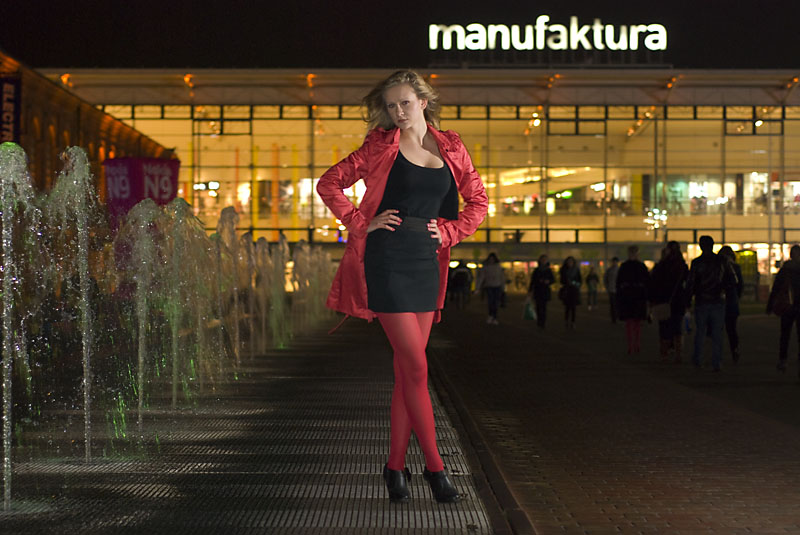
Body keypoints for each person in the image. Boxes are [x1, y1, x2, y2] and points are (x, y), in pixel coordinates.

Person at [316, 70, 488, 504]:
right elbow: (329, 183)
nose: (397, 111)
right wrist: (360, 222)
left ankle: (395, 468)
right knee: (416, 366)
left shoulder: (451, 146)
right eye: (391, 106)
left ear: (423, 102)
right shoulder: (379, 145)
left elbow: (479, 201)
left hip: (426, 263)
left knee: (406, 373)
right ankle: (435, 467)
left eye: (405, 103)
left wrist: (449, 233)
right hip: (387, 260)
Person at [685, 235, 737, 372]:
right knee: (717, 334)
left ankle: (698, 359)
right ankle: (717, 361)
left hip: (702, 300)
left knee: (700, 332)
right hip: (718, 300)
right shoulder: (722, 261)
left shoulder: (697, 262)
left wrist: (688, 300)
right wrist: (724, 289)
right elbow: (733, 280)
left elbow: (690, 283)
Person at [648, 241, 688, 362]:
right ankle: (678, 354)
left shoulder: (661, 266)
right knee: (677, 328)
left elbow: (653, 284)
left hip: (663, 300)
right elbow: (687, 284)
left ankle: (664, 353)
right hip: (678, 300)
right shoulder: (682, 266)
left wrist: (652, 300)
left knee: (664, 328)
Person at [767, 244, 800, 377]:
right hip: (797, 306)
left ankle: (783, 359)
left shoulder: (785, 270)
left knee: (785, 334)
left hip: (787, 306)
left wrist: (770, 305)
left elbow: (776, 288)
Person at [616, 245, 649, 354]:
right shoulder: (640, 266)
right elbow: (647, 282)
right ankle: (634, 345)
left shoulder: (625, 266)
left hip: (630, 297)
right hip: (636, 297)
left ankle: (633, 345)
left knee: (632, 323)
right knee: (634, 323)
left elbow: (619, 283)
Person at [719, 246, 743, 363]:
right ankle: (735, 349)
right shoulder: (736, 267)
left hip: (719, 300)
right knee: (732, 329)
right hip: (732, 300)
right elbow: (740, 285)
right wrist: (737, 297)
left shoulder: (718, 267)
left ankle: (717, 353)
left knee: (717, 328)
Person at [476, 252, 505, 324]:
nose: (491, 260)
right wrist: (478, 287)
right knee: (491, 302)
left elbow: (502, 277)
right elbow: (481, 277)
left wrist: (503, 287)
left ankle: (494, 317)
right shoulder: (486, 267)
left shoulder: (498, 267)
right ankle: (491, 315)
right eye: (490, 259)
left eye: (492, 259)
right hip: (489, 286)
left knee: (496, 302)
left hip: (497, 286)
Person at [529, 253, 555, 328]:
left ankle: (542, 322)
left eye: (545, 260)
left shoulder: (548, 270)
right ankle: (539, 321)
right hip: (538, 290)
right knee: (538, 306)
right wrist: (530, 290)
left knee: (544, 307)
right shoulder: (537, 270)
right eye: (542, 259)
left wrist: (548, 281)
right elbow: (533, 280)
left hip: (545, 290)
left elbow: (553, 280)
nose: (544, 261)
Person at [559, 256, 581, 330]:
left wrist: (574, 283)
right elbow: (561, 280)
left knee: (573, 307)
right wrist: (566, 282)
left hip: (574, 290)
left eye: (571, 262)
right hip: (567, 290)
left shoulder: (576, 270)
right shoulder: (563, 270)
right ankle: (566, 321)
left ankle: (573, 322)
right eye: (568, 262)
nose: (570, 263)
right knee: (567, 307)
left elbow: (580, 280)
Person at [604, 256, 620, 323]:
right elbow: (605, 279)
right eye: (613, 261)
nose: (614, 263)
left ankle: (617, 316)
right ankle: (613, 317)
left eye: (615, 262)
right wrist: (607, 287)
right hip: (611, 289)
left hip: (618, 290)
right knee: (612, 304)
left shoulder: (619, 270)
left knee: (617, 303)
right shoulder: (609, 270)